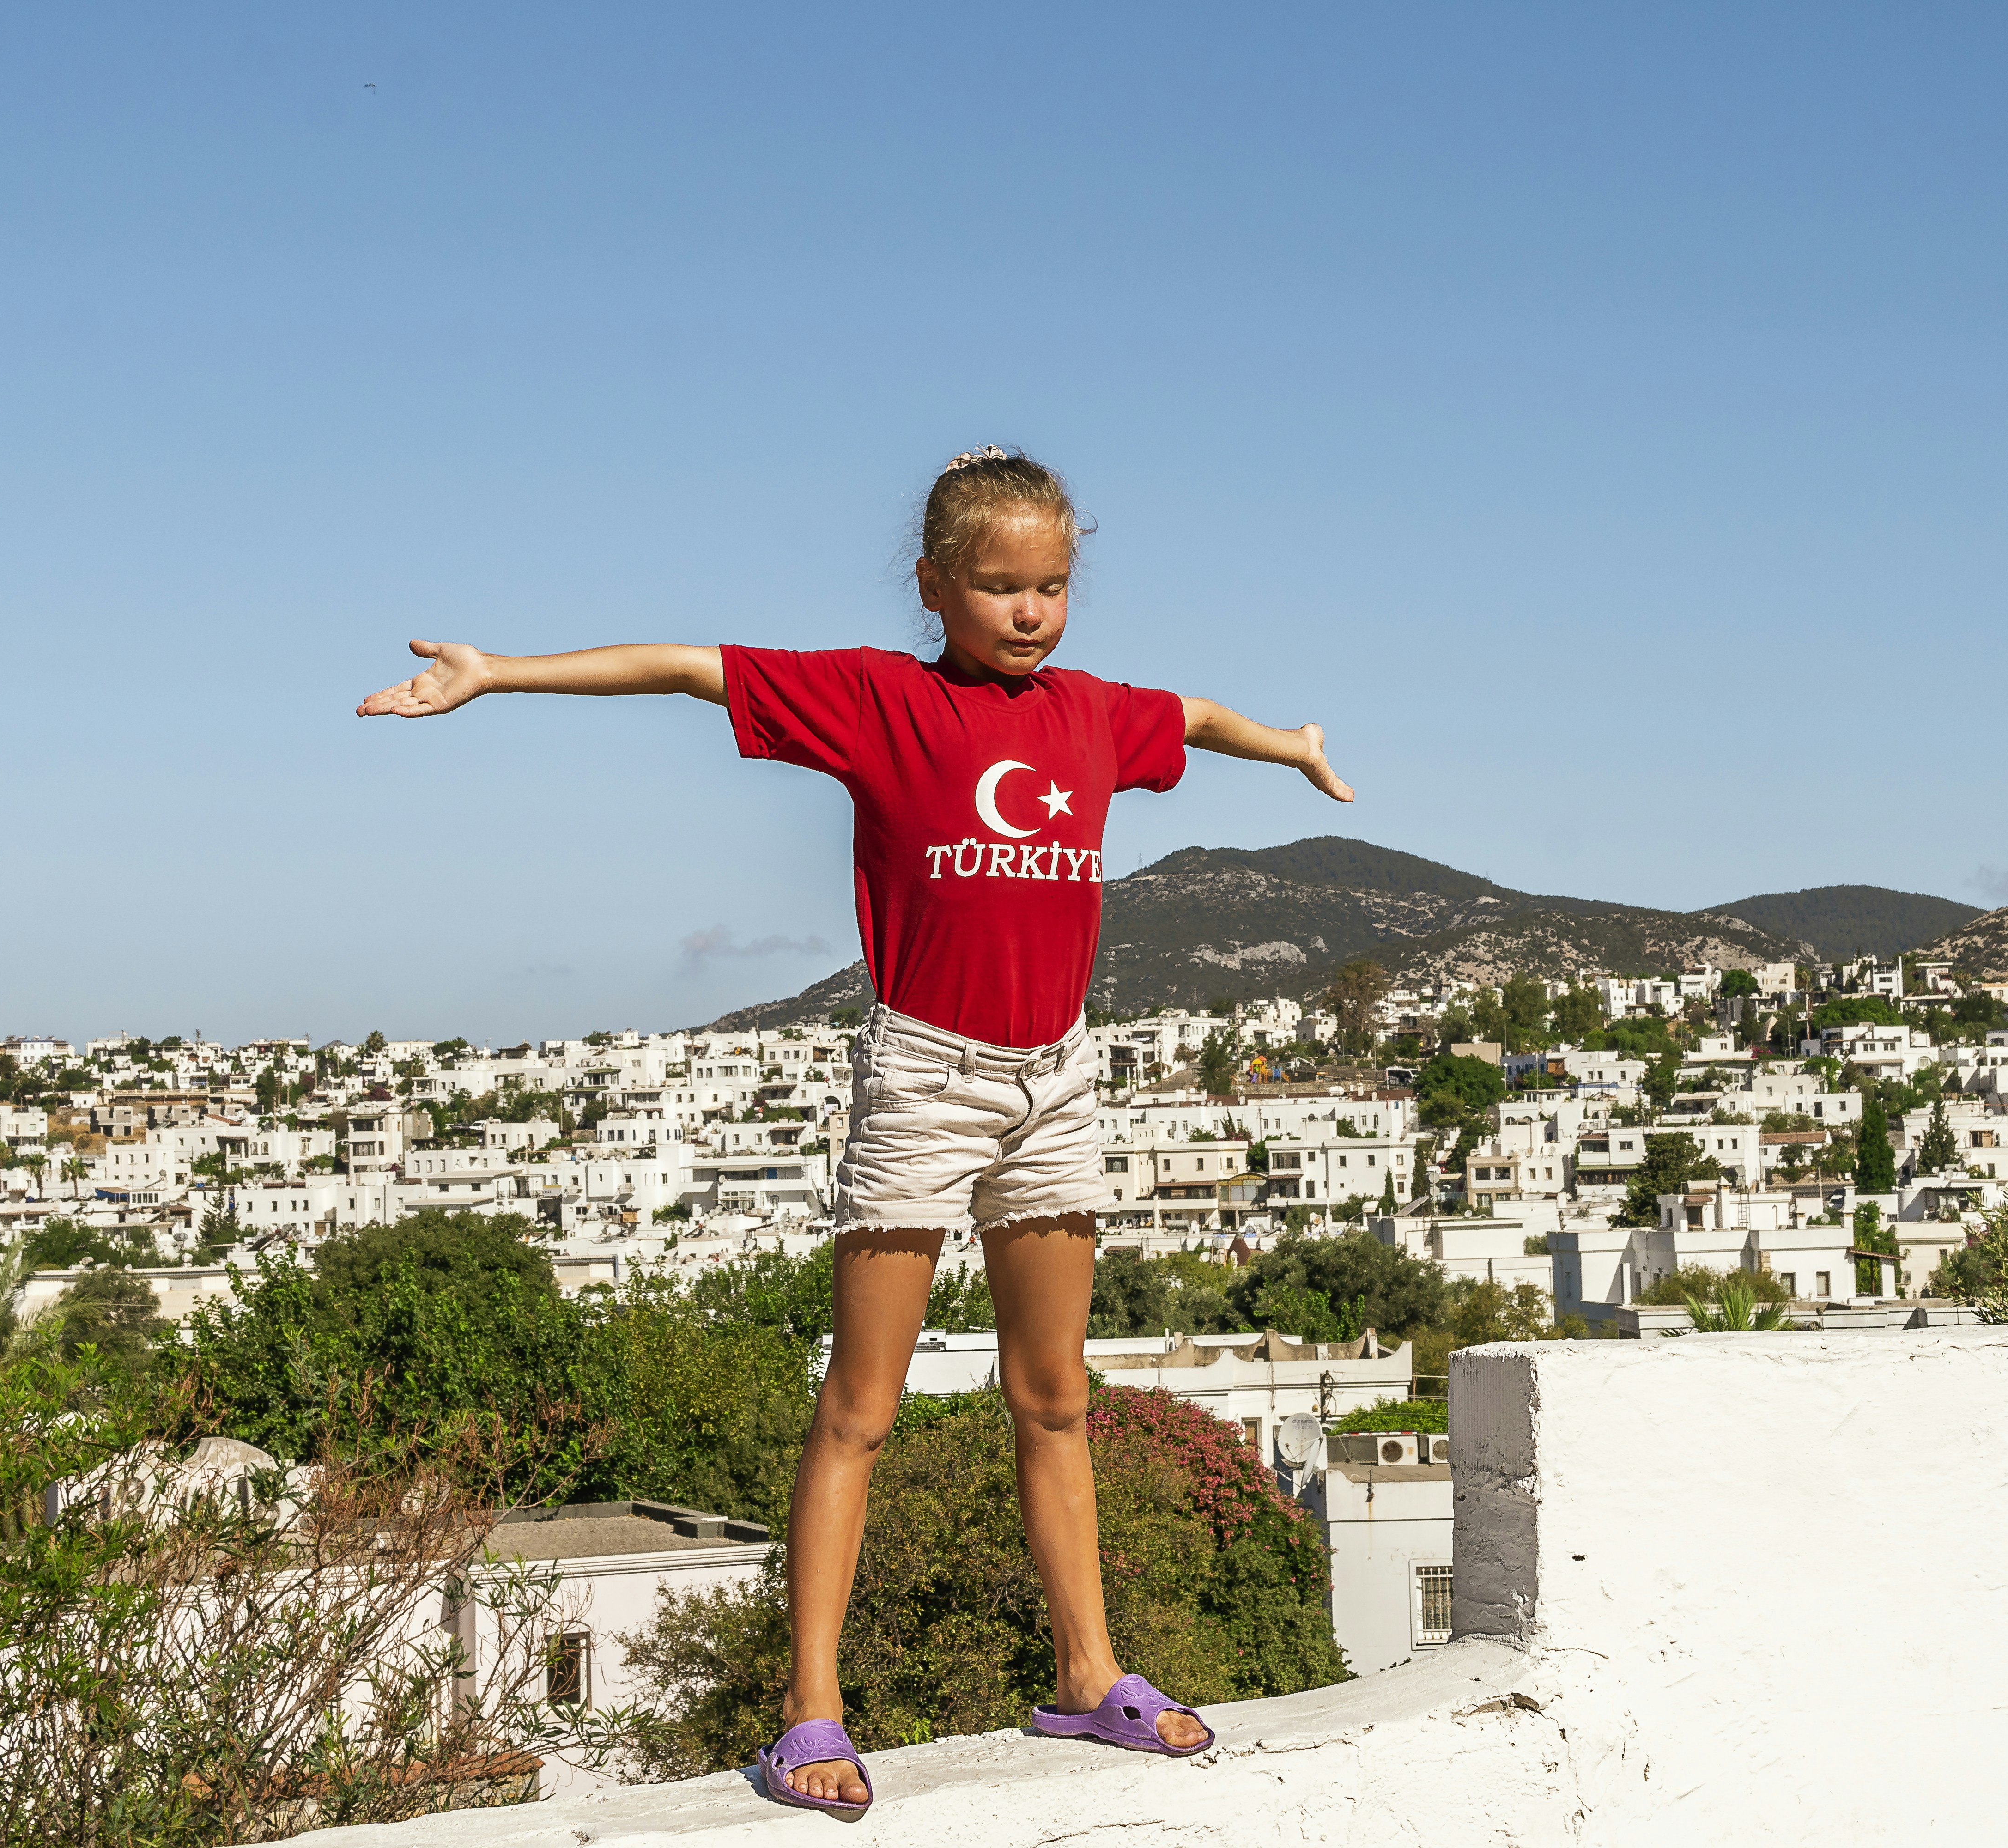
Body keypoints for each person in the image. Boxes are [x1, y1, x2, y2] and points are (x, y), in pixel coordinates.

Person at [357, 446, 1352, 1816]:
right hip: (925, 1078)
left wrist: (1290, 745)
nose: (1030, 611)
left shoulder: (1100, 717)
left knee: (1055, 1399)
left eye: (1052, 585)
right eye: (1000, 586)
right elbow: (686, 666)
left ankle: (1088, 1675)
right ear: (937, 586)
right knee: (860, 1408)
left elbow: (1199, 712)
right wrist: (501, 669)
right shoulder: (877, 697)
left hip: (1057, 1080)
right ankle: (810, 1714)